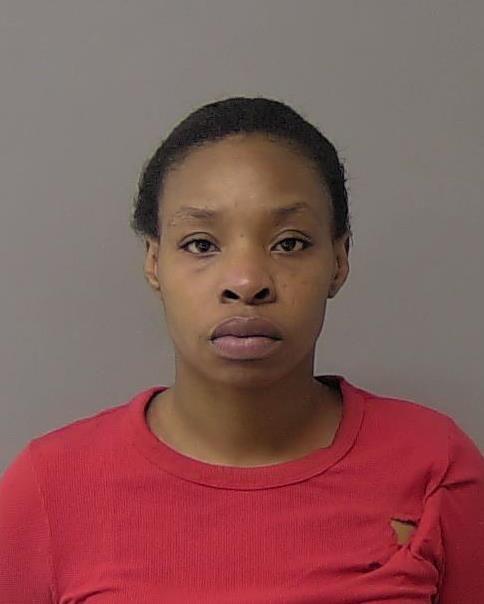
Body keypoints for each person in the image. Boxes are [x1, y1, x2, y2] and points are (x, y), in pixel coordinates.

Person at [1, 97, 483, 603]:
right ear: (154, 262)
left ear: (339, 260)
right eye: (201, 244)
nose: (247, 282)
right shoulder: (49, 488)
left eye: (289, 243)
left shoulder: (434, 464)